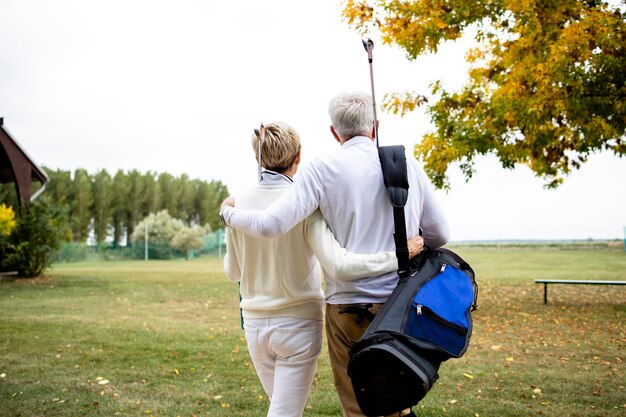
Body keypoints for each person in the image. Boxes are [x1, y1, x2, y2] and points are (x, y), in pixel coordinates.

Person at [220, 92, 449, 417]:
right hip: (395, 305)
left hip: (334, 311)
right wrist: (404, 251)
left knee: (355, 406)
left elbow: (260, 239)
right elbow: (440, 234)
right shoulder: (407, 163)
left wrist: (228, 214)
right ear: (376, 126)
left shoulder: (312, 175)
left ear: (333, 132)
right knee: (397, 401)